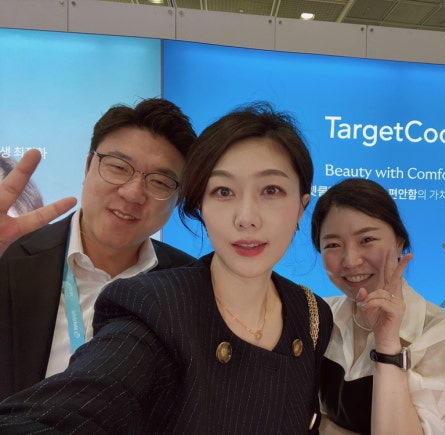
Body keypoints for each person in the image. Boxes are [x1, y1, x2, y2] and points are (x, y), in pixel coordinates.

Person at [0, 102, 334, 434]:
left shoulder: (310, 314)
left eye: (272, 190)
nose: (246, 218)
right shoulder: (154, 304)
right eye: (224, 191)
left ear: (301, 205)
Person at [0, 98, 197, 401]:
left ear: (178, 198)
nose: (133, 193)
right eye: (118, 167)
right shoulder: (10, 259)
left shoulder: (191, 286)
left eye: (159, 181)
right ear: (88, 166)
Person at [311, 178, 445, 435]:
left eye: (367, 239)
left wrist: (387, 345)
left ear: (399, 244)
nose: (351, 260)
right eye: (333, 245)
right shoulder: (317, 316)